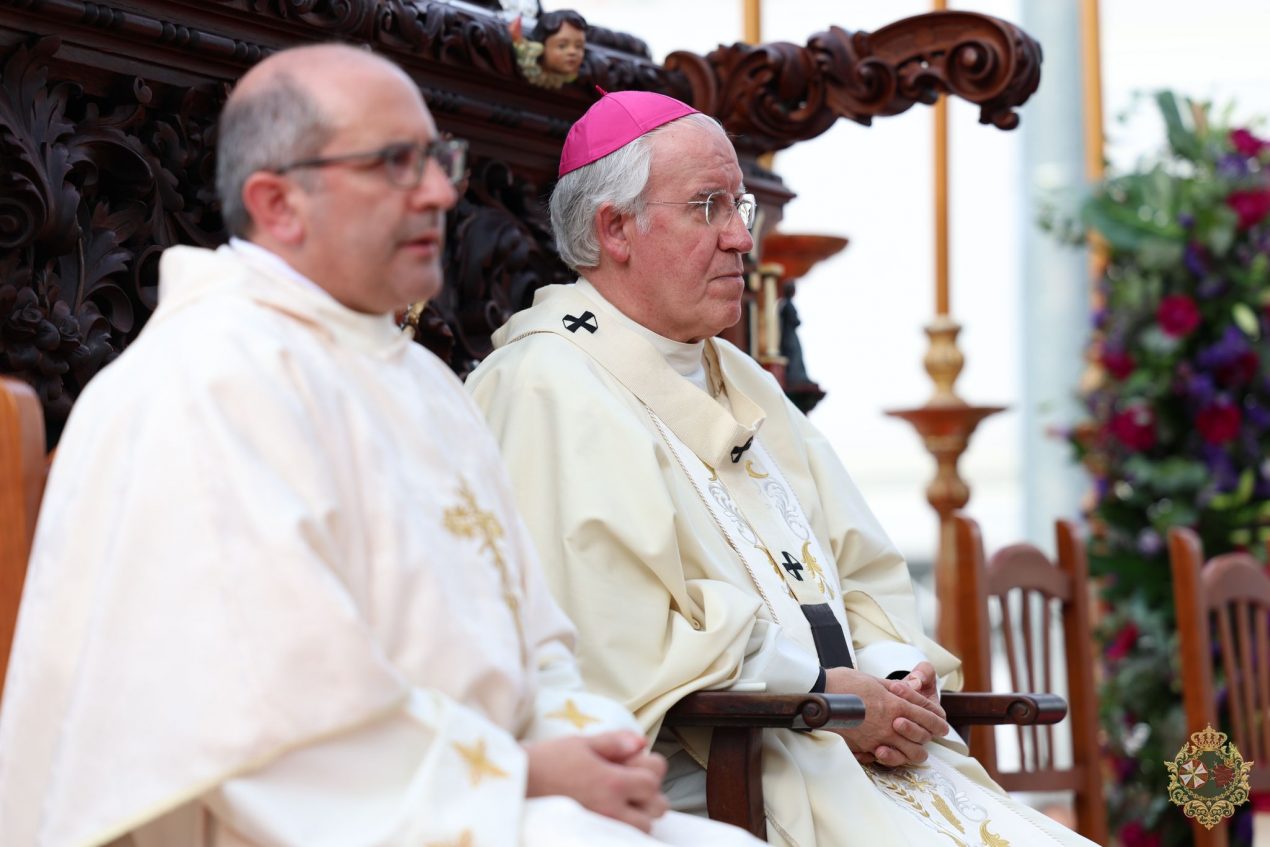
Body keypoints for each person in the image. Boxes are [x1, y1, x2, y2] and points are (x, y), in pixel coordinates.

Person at [0, 46, 764, 847]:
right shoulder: (208, 382)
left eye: (437, 160)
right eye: (395, 164)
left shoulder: (423, 384)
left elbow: (537, 643)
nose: (439, 191)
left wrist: (591, 747)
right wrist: (526, 775)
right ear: (279, 202)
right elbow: (267, 716)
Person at [467, 90, 1099, 846]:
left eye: (741, 207)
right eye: (709, 207)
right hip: (727, 780)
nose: (741, 237)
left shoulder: (741, 377)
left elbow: (859, 566)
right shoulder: (544, 385)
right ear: (614, 229)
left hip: (858, 759)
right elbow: (609, 647)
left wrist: (895, 676)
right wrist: (827, 691)